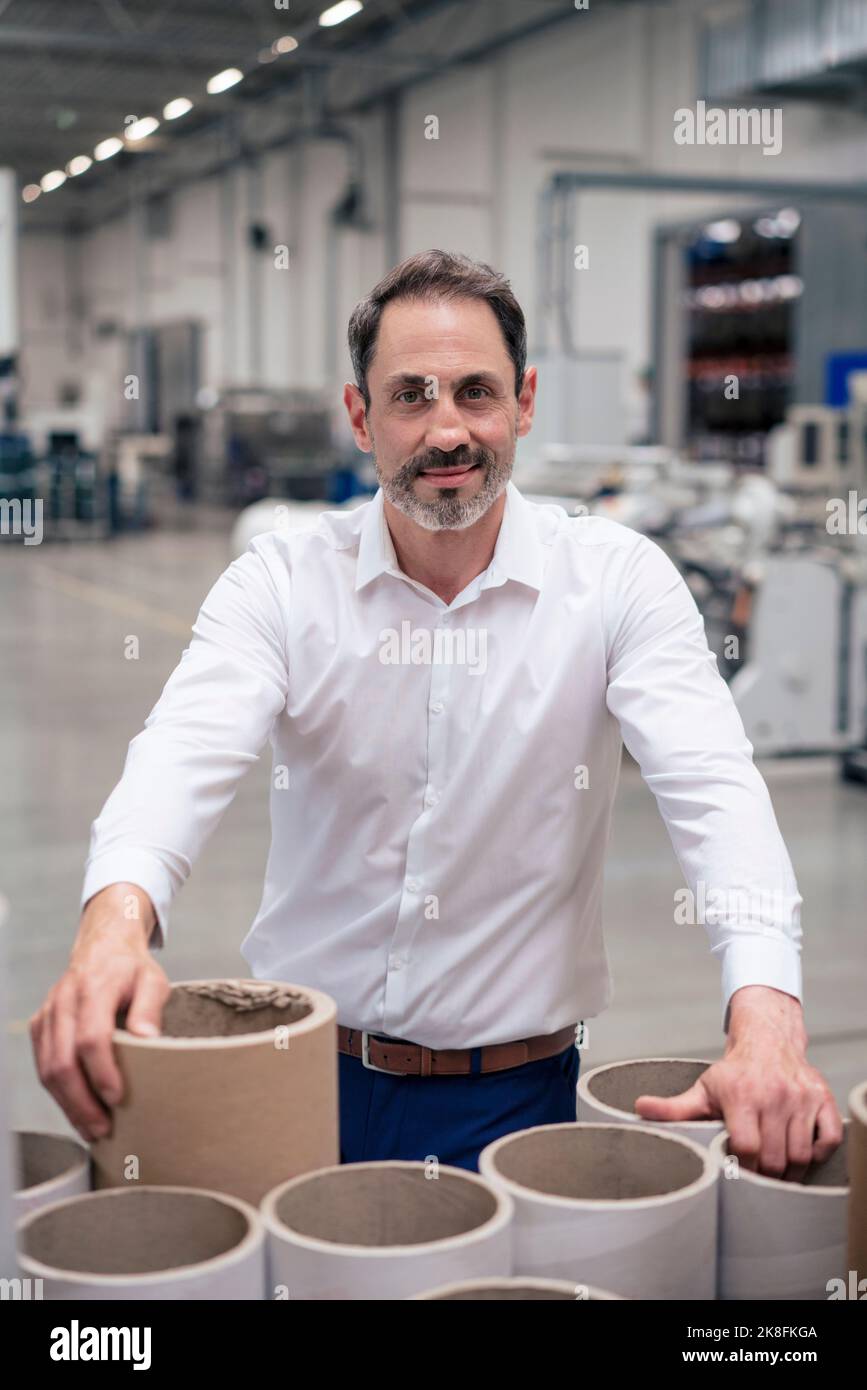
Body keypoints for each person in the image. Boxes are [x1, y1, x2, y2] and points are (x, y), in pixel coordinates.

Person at [31, 250, 842, 1177]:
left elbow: (714, 789)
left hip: (515, 1102)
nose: (447, 429)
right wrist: (113, 924)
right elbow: (179, 752)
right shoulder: (284, 581)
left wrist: (767, 1011)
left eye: (475, 392)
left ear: (524, 403)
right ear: (359, 416)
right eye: (410, 395)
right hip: (292, 1078)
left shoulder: (615, 582)